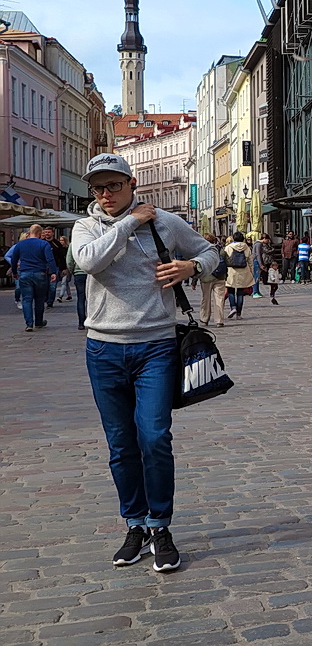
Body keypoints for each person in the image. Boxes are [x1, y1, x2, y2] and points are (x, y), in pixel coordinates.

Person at [71, 152, 218, 572]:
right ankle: (134, 524)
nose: (105, 194)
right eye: (98, 187)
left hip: (155, 345)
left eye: (113, 185)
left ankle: (160, 526)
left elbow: (210, 253)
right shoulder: (86, 226)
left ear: (132, 183)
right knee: (120, 444)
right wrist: (130, 222)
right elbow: (89, 261)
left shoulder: (166, 223)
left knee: (154, 437)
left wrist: (191, 265)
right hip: (103, 349)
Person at [8, 224, 57, 332]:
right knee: (39, 299)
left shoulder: (20, 244)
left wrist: (15, 272)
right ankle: (39, 322)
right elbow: (50, 259)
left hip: (25, 273)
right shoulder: (44, 244)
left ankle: (29, 323)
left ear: (29, 232)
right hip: (40, 273)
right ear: (40, 233)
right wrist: (53, 272)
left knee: (26, 299)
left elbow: (14, 260)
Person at [199, 233, 227, 328]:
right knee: (219, 299)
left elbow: (198, 265)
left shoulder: (202, 250)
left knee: (206, 299)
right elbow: (228, 262)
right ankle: (219, 320)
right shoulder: (221, 249)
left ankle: (204, 318)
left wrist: (194, 280)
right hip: (220, 277)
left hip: (206, 277)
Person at [224, 231, 253, 320]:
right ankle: (239, 313)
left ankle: (233, 308)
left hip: (231, 271)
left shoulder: (228, 247)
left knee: (231, 291)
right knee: (240, 293)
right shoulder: (246, 247)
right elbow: (250, 261)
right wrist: (252, 272)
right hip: (243, 271)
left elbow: (224, 260)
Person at [43, 227, 68, 308]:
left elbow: (61, 256)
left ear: (52, 233)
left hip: (55, 266)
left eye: (49, 232)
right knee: (45, 285)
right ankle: (45, 299)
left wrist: (63, 268)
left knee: (53, 286)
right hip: (43, 266)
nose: (47, 234)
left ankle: (50, 302)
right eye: (46, 232)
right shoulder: (42, 242)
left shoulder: (57, 243)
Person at [66, 240, 88, 330]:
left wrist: (71, 271)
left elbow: (69, 260)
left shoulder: (73, 244)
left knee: (81, 298)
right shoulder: (93, 240)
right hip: (92, 274)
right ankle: (92, 321)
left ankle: (81, 323)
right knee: (93, 298)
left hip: (79, 273)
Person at [251, 233, 272, 298]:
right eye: (267, 240)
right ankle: (255, 292)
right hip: (256, 261)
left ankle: (257, 291)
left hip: (257, 261)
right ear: (264, 239)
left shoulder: (257, 244)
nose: (268, 241)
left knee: (257, 276)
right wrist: (261, 264)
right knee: (256, 277)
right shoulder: (259, 244)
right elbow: (258, 255)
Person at [56, 235, 74, 302]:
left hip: (66, 268)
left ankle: (60, 296)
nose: (61, 242)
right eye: (60, 240)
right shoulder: (59, 249)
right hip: (61, 268)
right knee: (65, 282)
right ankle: (69, 295)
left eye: (62, 240)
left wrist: (67, 268)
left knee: (63, 282)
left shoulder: (67, 249)